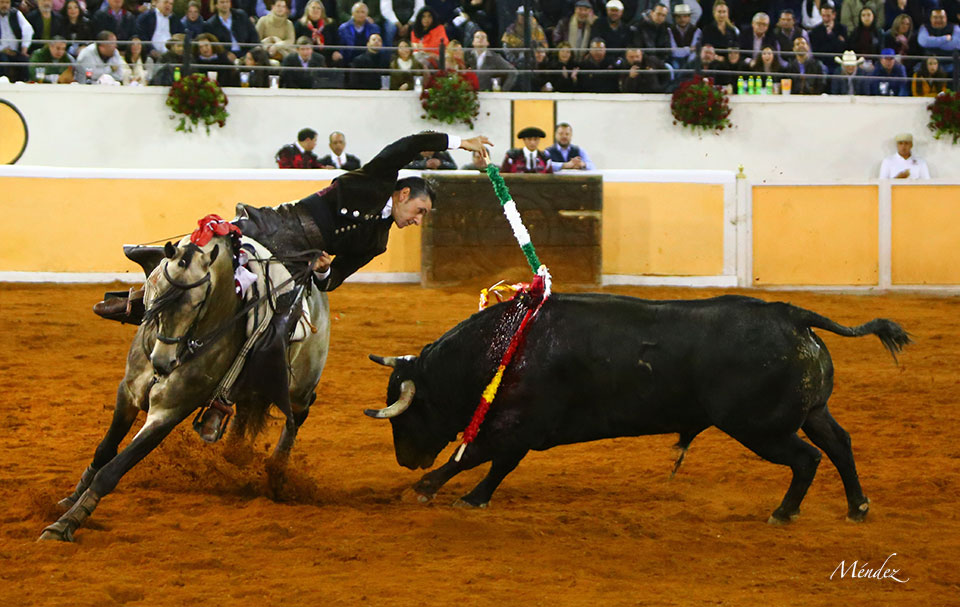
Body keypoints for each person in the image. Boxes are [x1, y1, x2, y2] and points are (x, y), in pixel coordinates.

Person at [237, 132, 492, 292]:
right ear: (404, 194)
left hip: (297, 263)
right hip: (279, 224)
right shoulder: (376, 178)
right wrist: (461, 143)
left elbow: (334, 278)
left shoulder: (376, 243)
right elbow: (411, 144)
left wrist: (323, 270)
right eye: (420, 210)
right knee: (221, 243)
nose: (418, 220)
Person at [0, 0, 34, 82]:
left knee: (24, 60)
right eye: (2, 2)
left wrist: (24, 48)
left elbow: (28, 29)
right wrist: (2, 49)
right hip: (1, 51)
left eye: (7, 3)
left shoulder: (15, 13)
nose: (5, 5)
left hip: (15, 51)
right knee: (3, 61)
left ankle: (23, 84)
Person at [918, 9, 960, 74]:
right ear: (931, 19)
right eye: (935, 17)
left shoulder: (955, 27)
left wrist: (932, 41)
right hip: (929, 65)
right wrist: (945, 39)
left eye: (941, 17)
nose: (938, 20)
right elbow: (924, 42)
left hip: (950, 64)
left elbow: (956, 44)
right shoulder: (924, 27)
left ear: (946, 18)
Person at [668, 3, 700, 68]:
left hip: (691, 60)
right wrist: (689, 50)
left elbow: (694, 51)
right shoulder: (670, 30)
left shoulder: (696, 31)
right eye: (679, 16)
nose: (682, 19)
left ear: (689, 17)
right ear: (675, 18)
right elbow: (673, 52)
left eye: (685, 16)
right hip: (675, 60)